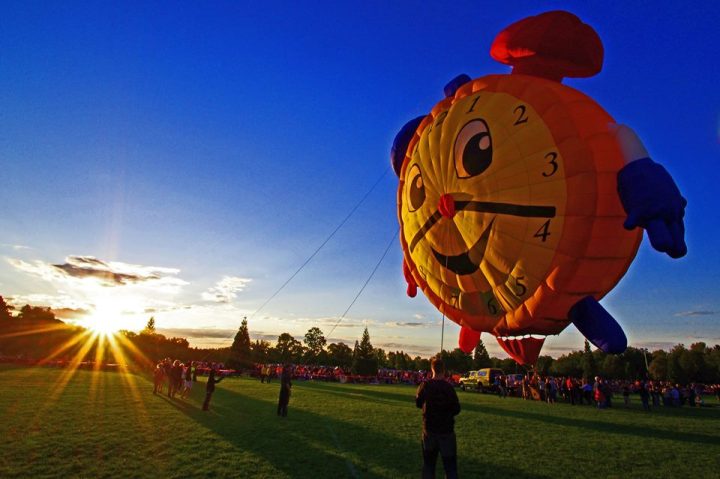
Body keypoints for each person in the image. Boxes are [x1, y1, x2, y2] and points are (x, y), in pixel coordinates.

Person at [415, 357, 461, 479]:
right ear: (444, 370)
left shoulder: (425, 386)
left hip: (429, 431)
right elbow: (456, 409)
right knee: (450, 467)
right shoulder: (449, 388)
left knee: (429, 466)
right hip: (446, 432)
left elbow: (418, 403)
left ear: (432, 369)